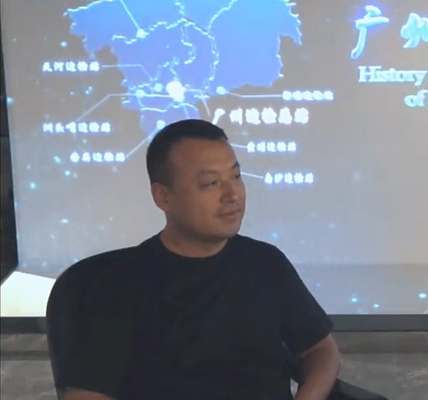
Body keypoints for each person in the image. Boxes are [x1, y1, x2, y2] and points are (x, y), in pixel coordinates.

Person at [62, 119, 341, 400]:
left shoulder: (266, 263)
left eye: (236, 176)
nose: (232, 195)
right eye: (210, 183)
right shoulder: (120, 284)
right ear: (164, 197)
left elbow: (320, 349)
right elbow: (86, 395)